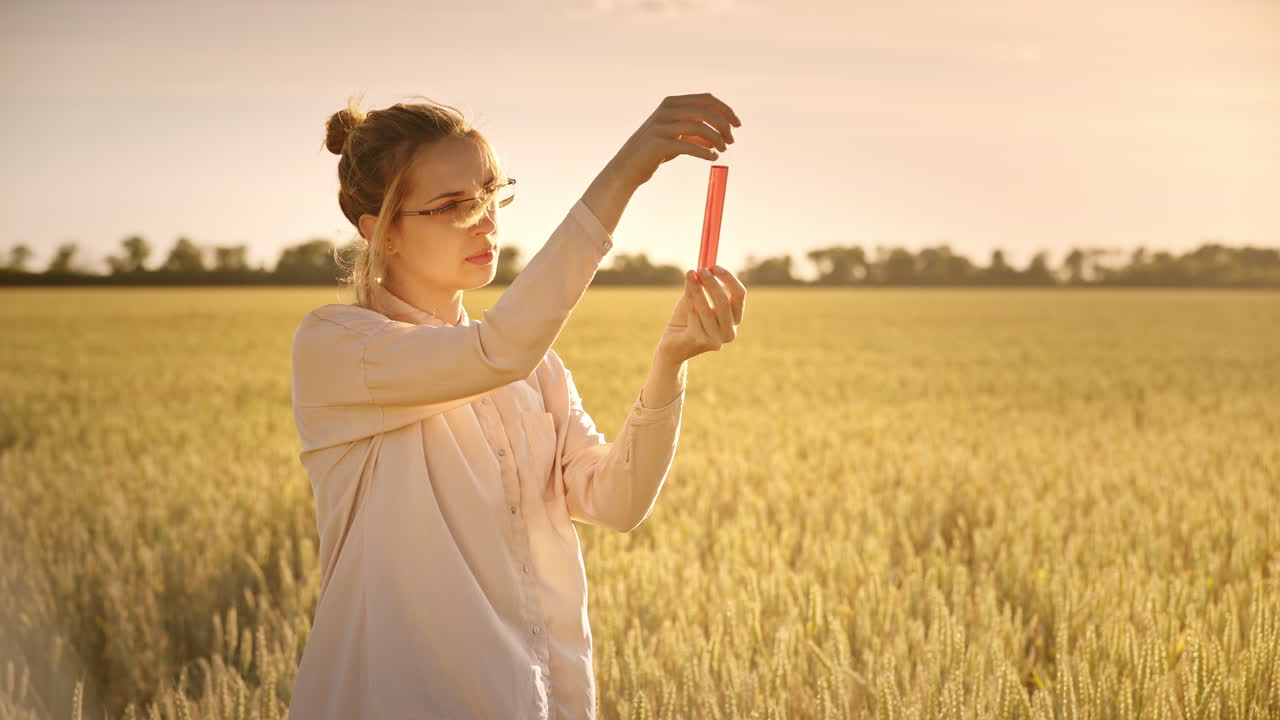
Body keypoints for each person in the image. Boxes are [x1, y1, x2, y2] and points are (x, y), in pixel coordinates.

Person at [288, 92, 746, 719]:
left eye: (491, 195)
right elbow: (494, 351)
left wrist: (670, 363)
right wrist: (627, 172)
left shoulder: (536, 370)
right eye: (454, 205)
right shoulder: (337, 348)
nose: (485, 221)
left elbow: (616, 502)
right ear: (380, 230)